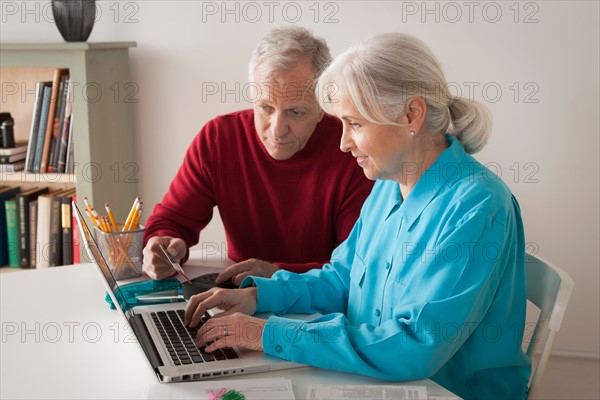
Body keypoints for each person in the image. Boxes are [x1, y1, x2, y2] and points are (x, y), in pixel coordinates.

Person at [184, 33, 532, 400]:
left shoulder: (478, 205)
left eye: (355, 124)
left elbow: (416, 345)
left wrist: (266, 333)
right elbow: (343, 279)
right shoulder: (388, 182)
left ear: (411, 114)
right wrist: (258, 296)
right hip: (377, 383)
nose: (343, 142)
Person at [142, 27, 373, 285]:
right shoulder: (219, 138)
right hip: (236, 300)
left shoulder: (352, 151)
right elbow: (171, 220)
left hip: (321, 311)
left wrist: (277, 274)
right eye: (265, 108)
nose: (277, 129)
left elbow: (356, 268)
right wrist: (163, 245)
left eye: (295, 112)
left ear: (323, 107)